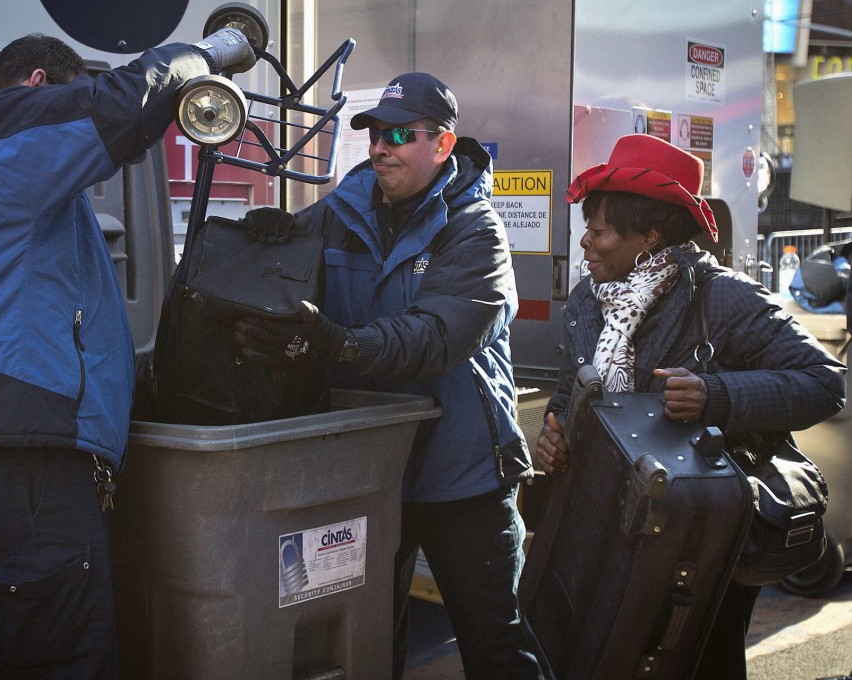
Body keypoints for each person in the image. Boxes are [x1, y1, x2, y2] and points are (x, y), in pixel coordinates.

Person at [0, 31, 255, 678]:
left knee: (29, 658)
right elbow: (118, 103)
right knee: (69, 664)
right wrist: (218, 48)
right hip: (21, 471)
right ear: (37, 87)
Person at [233, 73, 544, 679]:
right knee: (367, 641)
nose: (381, 147)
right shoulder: (341, 210)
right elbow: (285, 274)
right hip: (372, 475)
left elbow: (436, 336)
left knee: (496, 644)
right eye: (375, 133)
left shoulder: (476, 231)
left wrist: (340, 345)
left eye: (399, 135)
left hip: (465, 475)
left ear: (444, 144)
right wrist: (269, 238)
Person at [534, 133, 846, 679]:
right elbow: (570, 397)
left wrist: (716, 396)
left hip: (700, 532)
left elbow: (824, 380)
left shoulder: (720, 296)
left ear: (649, 234)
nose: (585, 242)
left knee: (699, 660)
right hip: (606, 522)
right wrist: (556, 434)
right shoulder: (588, 301)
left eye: (599, 230)